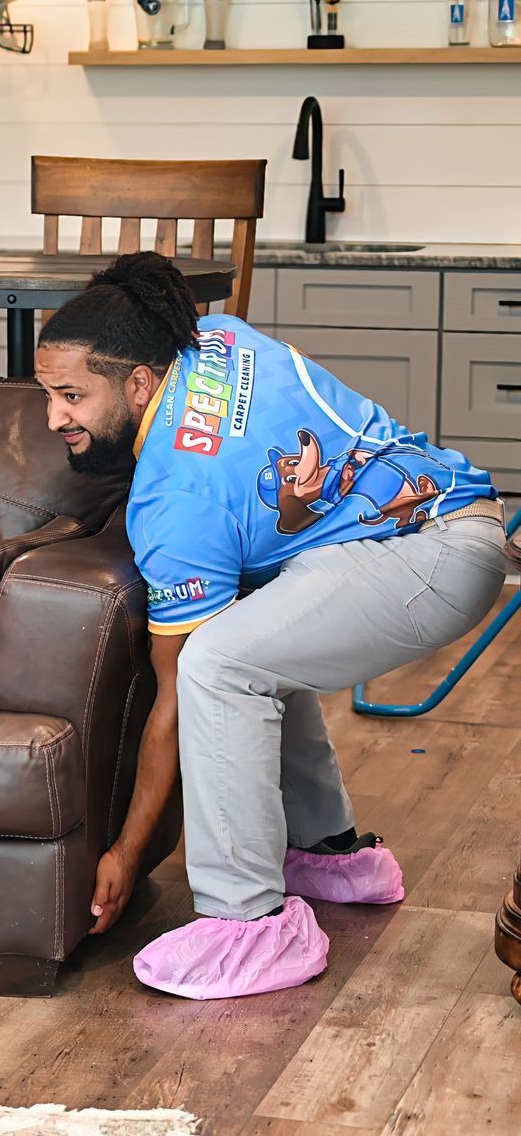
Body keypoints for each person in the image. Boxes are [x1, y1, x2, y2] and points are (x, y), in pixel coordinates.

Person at [33, 251, 507, 1000]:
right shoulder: (217, 338)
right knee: (255, 638)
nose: (55, 416)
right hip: (437, 514)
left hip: (435, 555)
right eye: (47, 393)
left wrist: (125, 852)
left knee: (217, 664)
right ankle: (329, 853)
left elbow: (177, 699)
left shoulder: (173, 502)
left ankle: (249, 922)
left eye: (71, 396)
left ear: (137, 382)